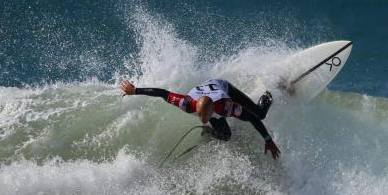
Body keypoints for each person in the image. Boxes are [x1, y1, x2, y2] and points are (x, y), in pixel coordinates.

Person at [120, 78, 281, 160]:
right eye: (200, 115)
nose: (203, 119)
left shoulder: (225, 107)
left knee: (260, 114)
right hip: (206, 93)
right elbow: (163, 93)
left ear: (213, 110)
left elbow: (252, 119)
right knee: (226, 136)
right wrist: (135, 90)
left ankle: (273, 89)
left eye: (206, 115)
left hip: (221, 86)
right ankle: (210, 132)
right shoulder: (186, 103)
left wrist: (268, 139)